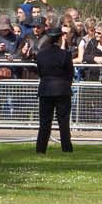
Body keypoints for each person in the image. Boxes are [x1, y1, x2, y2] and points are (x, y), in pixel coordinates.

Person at [34, 24, 75, 154]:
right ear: (59, 38)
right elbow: (70, 73)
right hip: (62, 89)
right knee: (63, 122)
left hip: (46, 89)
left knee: (45, 122)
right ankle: (66, 149)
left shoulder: (40, 54)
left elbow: (40, 72)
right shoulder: (65, 55)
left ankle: (41, 149)